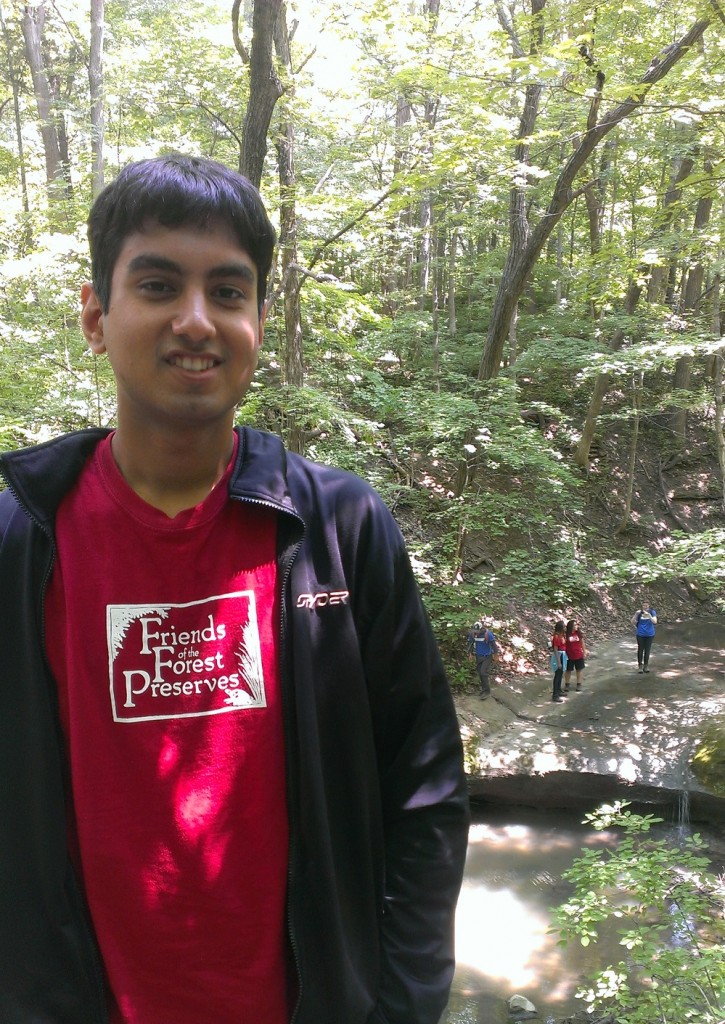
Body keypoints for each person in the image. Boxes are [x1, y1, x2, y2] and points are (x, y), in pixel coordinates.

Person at [0, 155, 470, 1024]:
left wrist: (402, 1005)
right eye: (157, 285)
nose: (195, 320)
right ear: (97, 317)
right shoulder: (19, 539)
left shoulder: (338, 527)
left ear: (256, 319)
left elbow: (424, 788)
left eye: (227, 291)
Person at [467, 619, 499, 699]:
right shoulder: (473, 634)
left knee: (483, 672)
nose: (476, 632)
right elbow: (470, 643)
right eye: (475, 630)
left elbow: (494, 645)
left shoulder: (488, 634)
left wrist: (496, 655)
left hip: (487, 656)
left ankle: (487, 692)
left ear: (481, 629)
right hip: (478, 656)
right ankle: (483, 690)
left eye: (478, 631)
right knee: (480, 673)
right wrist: (470, 653)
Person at [632, 600, 657, 673]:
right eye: (644, 605)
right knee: (640, 650)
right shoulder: (639, 613)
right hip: (640, 634)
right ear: (642, 606)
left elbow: (655, 622)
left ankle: (646, 666)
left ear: (649, 606)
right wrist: (636, 614)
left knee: (647, 650)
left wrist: (650, 616)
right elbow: (632, 622)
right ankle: (640, 666)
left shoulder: (652, 612)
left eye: (646, 605)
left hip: (650, 634)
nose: (645, 607)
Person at [564, 618, 587, 692]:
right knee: (568, 670)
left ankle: (579, 684)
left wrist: (584, 652)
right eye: (575, 625)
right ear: (571, 626)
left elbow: (582, 643)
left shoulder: (578, 633)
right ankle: (567, 684)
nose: (576, 626)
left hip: (578, 655)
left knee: (579, 670)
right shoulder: (566, 634)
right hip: (569, 655)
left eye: (576, 624)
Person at [550, 619, 568, 702]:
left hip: (563, 656)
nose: (565, 627)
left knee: (560, 674)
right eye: (564, 626)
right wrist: (558, 662)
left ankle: (559, 690)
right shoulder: (556, 637)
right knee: (557, 675)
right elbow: (556, 650)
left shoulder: (562, 635)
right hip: (559, 656)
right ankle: (555, 695)